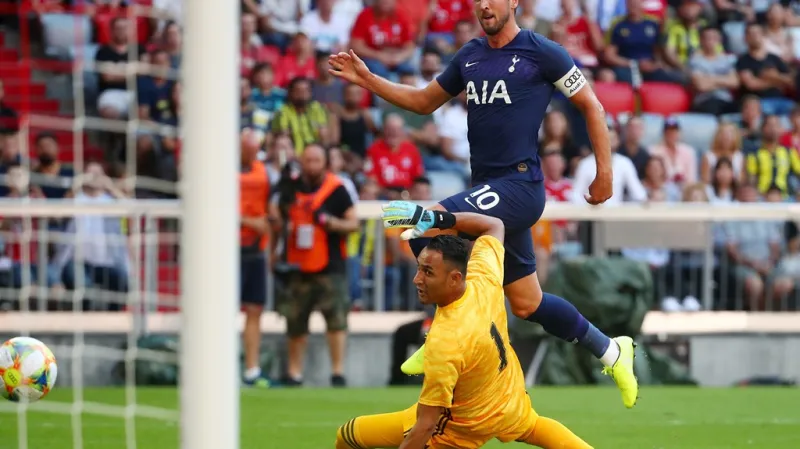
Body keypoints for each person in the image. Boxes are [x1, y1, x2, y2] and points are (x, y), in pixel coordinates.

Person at [329, 0, 638, 407]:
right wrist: (369, 80)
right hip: (491, 192)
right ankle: (612, 351)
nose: (484, 5)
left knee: (425, 225)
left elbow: (592, 106)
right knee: (528, 304)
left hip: (520, 186)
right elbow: (423, 102)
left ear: (514, 2)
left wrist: (605, 173)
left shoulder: (543, 51)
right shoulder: (470, 55)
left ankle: (443, 337)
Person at [335, 203, 592, 449]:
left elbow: (426, 425)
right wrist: (439, 220)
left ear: (455, 278)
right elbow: (494, 225)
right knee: (534, 426)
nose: (417, 279)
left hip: (462, 427)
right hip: (508, 400)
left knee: (347, 434)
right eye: (419, 269)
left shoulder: (444, 340)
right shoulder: (484, 276)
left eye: (428, 272)